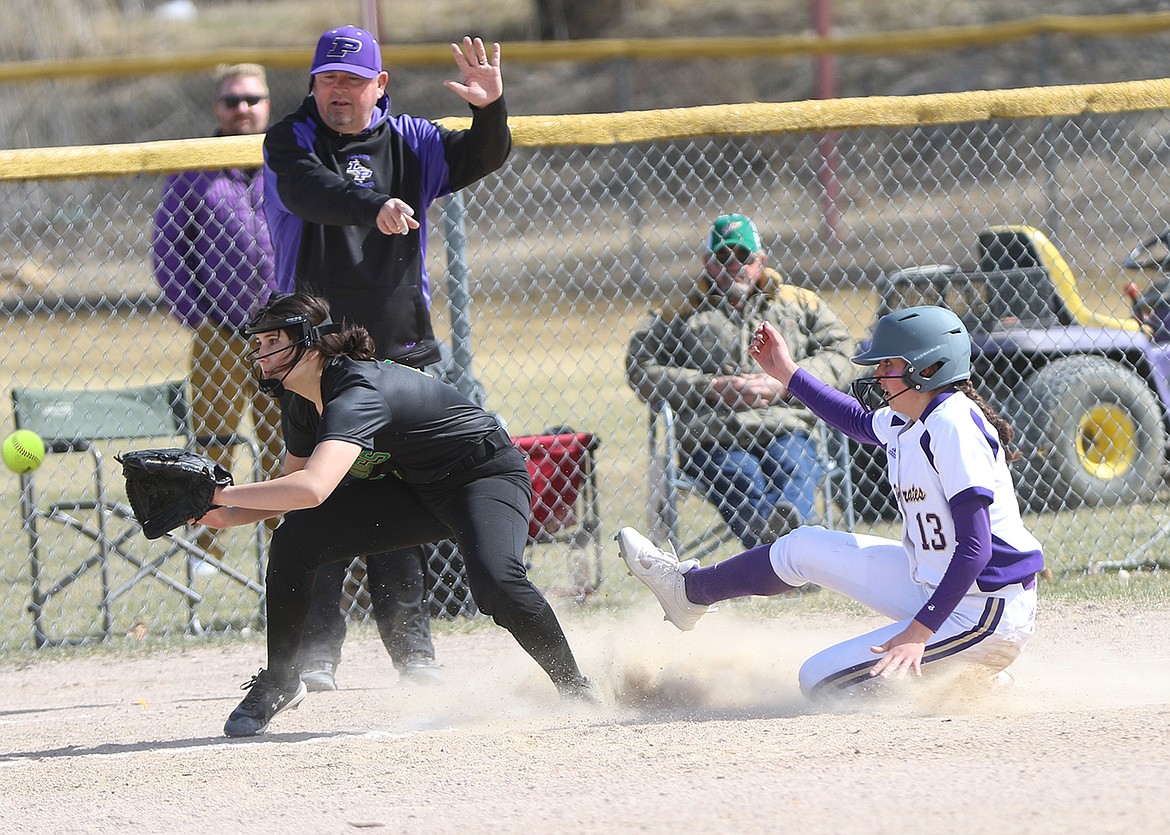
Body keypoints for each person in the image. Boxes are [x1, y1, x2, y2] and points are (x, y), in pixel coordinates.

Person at [201, 292, 593, 736]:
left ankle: (576, 688)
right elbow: (291, 495)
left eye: (273, 341)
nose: (261, 354)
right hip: (414, 487)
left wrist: (222, 493)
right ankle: (280, 679)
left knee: (496, 583)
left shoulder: (355, 394)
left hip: (482, 476)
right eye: (258, 344)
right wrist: (219, 512)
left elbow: (312, 488)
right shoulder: (300, 399)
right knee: (297, 538)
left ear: (311, 345)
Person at [618, 305, 1043, 697]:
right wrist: (786, 373)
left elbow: (976, 547)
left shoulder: (953, 424)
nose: (878, 374)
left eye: (889, 364)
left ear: (928, 368)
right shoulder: (909, 418)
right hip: (936, 584)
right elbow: (855, 420)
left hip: (985, 610)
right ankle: (688, 591)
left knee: (819, 681)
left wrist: (919, 632)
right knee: (801, 547)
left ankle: (971, 679)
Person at [262, 26, 513, 691]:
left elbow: (482, 157)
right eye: (327, 80)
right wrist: (372, 207)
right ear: (313, 86)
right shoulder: (292, 140)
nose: (337, 93)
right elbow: (309, 192)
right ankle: (315, 650)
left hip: (396, 349)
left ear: (380, 86)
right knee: (318, 497)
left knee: (398, 495)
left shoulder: (413, 141)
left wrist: (490, 111)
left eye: (352, 81)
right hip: (312, 354)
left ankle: (414, 651)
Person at [626, 213, 855, 547]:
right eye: (723, 257)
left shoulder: (798, 303)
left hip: (786, 424)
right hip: (714, 434)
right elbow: (640, 365)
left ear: (761, 260)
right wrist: (710, 387)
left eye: (744, 256)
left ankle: (778, 549)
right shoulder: (679, 311)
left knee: (793, 463)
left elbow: (842, 351)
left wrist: (787, 382)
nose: (734, 265)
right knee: (742, 476)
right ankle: (789, 551)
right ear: (707, 262)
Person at [151, 63, 284, 545]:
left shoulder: (289, 159)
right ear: (217, 108)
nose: (243, 109)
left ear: (268, 104)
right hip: (221, 332)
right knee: (212, 447)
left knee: (285, 444)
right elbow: (168, 249)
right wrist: (198, 317)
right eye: (232, 101)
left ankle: (288, 545)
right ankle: (205, 550)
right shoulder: (195, 167)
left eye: (252, 99)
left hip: (287, 337)